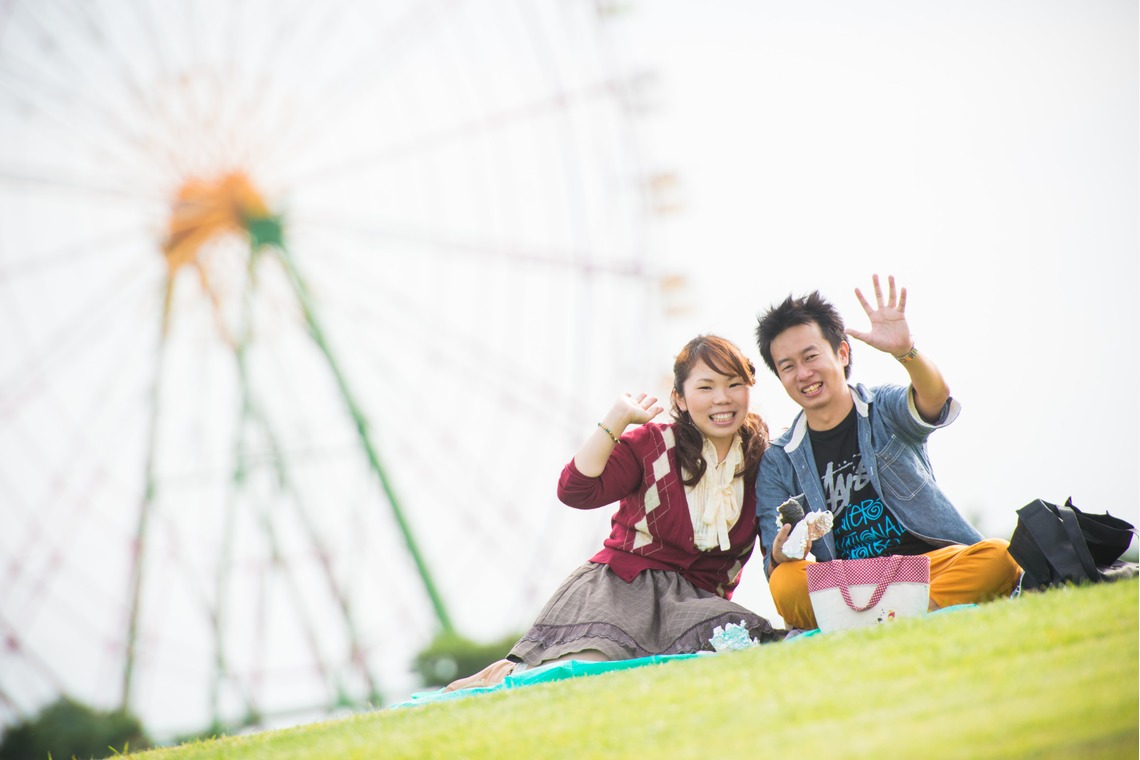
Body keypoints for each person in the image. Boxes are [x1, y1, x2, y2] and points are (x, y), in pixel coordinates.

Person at [444, 335, 785, 691]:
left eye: (734, 384)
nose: (722, 398)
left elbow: (774, 549)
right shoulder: (653, 445)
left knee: (747, 643)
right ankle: (498, 676)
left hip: (696, 605)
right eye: (706, 387)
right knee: (577, 672)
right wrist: (618, 418)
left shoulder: (764, 462)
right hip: (622, 590)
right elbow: (576, 490)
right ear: (680, 399)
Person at [754, 274, 1021, 631]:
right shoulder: (778, 459)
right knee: (785, 582)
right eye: (788, 366)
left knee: (999, 557)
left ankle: (889, 621)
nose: (803, 373)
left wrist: (905, 352)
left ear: (842, 352)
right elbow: (776, 558)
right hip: (845, 582)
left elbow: (934, 399)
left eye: (811, 356)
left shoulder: (883, 408)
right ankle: (906, 619)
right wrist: (783, 548)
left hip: (924, 568)